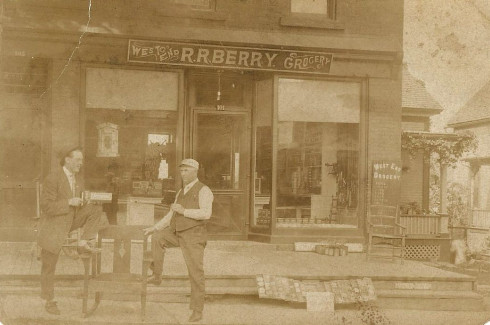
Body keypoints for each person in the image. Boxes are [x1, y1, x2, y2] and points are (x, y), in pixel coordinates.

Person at [38, 146, 108, 315]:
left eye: (82, 160)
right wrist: (70, 202)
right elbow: (46, 206)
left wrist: (87, 200)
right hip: (53, 225)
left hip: (71, 221)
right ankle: (49, 300)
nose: (80, 163)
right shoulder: (53, 178)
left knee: (97, 209)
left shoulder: (77, 179)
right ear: (67, 160)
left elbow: (78, 203)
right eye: (77, 160)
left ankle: (83, 242)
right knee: (49, 266)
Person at [143, 158, 214, 323]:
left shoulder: (204, 190)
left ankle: (197, 310)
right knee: (158, 236)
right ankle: (157, 275)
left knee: (196, 273)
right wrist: (154, 227)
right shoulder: (180, 192)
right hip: (177, 233)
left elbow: (206, 214)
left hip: (194, 235)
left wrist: (184, 210)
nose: (183, 174)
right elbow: (171, 215)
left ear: (195, 171)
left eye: (187, 170)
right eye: (181, 171)